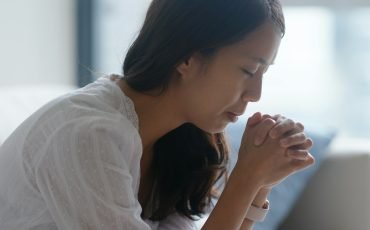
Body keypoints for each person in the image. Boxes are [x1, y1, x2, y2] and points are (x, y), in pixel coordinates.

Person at [0, 0, 315, 229]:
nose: (256, 93)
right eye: (248, 70)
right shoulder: (87, 134)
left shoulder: (178, 138)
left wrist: (260, 183)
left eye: (264, 72)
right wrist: (246, 179)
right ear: (186, 58)